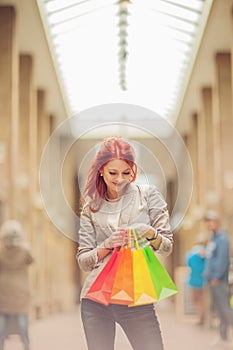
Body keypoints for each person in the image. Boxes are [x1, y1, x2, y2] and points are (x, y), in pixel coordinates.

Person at [76, 137, 173, 350]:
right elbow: (84, 261)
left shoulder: (149, 196)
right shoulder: (91, 208)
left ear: (133, 171)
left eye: (126, 173)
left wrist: (150, 232)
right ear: (101, 170)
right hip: (95, 299)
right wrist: (107, 245)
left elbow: (167, 247)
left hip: (136, 297)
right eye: (113, 173)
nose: (120, 179)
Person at [0, 220, 34, 350]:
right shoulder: (24, 251)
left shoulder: (1, 251)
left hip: (3, 289)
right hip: (21, 289)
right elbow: (32, 260)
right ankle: (26, 345)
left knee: (2, 318)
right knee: (22, 317)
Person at [203, 210, 233, 345]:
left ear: (217, 222)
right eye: (207, 222)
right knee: (220, 309)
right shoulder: (213, 238)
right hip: (212, 279)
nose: (209, 224)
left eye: (211, 221)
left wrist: (216, 276)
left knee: (225, 308)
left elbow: (222, 260)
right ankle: (223, 336)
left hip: (219, 280)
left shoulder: (222, 239)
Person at [186, 234, 207, 326]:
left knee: (196, 299)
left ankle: (201, 318)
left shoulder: (192, 253)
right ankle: (201, 317)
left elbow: (188, 263)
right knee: (201, 299)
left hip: (195, 279)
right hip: (203, 279)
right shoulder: (205, 252)